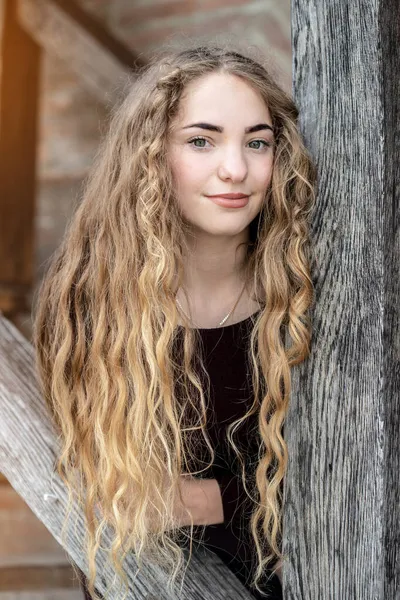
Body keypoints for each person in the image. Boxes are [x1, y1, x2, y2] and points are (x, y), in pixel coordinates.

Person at [32, 44, 316, 600]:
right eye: (201, 141)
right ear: (151, 155)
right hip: (146, 583)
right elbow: (110, 488)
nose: (235, 170)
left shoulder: (310, 296)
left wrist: (205, 499)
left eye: (257, 143)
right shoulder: (91, 301)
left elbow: (352, 470)